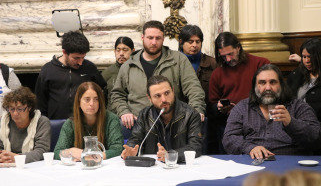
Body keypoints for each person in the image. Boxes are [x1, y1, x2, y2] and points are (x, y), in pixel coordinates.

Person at [111, 20, 206, 133]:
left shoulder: (178, 60)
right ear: (142, 37)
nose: (154, 42)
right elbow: (117, 94)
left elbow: (194, 88)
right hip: (138, 124)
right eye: (150, 38)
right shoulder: (128, 65)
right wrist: (124, 111)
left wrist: (195, 111)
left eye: (158, 38)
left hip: (173, 124)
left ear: (163, 39)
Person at [222, 64, 321, 159]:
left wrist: (291, 123)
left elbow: (316, 138)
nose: (268, 88)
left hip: (290, 165)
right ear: (255, 86)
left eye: (273, 82)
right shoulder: (242, 108)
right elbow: (229, 138)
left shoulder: (298, 106)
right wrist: (250, 147)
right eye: (262, 83)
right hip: (253, 163)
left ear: (281, 85)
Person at [208, 32, 270, 154]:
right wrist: (220, 108)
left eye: (230, 54)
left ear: (238, 48)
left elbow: (271, 94)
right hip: (230, 122)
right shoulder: (218, 73)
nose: (228, 59)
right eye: (223, 56)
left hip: (259, 120)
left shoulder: (260, 63)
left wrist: (242, 109)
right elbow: (212, 105)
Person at [121, 75, 202, 162]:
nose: (163, 99)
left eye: (167, 93)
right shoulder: (145, 115)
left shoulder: (190, 114)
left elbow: (195, 146)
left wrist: (170, 156)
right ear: (149, 98)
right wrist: (131, 150)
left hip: (181, 167)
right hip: (153, 167)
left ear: (173, 91)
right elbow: (135, 139)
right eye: (157, 96)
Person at [35, 31, 106, 119]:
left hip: (83, 124)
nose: (80, 62)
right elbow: (40, 103)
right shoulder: (48, 70)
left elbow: (102, 93)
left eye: (83, 57)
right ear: (64, 52)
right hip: (56, 125)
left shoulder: (90, 68)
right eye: (76, 58)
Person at [54, 82, 123, 161]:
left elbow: (118, 149)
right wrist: (70, 151)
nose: (91, 104)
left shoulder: (111, 119)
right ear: (79, 102)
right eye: (87, 99)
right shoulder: (70, 124)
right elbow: (57, 152)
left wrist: (93, 157)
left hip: (103, 167)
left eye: (96, 99)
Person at [178, 25, 218, 154]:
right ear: (181, 42)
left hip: (205, 115)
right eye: (190, 42)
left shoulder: (211, 63)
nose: (194, 45)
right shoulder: (174, 62)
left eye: (198, 41)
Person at [0, 87, 51, 163]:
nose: (15, 113)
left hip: (32, 166)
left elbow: (41, 151)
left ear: (29, 108)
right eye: (12, 109)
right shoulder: (3, 121)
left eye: (20, 109)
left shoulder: (42, 122)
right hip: (6, 165)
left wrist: (17, 158)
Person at [287, 38, 321, 122]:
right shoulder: (296, 74)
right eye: (304, 57)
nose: (307, 61)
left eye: (310, 57)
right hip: (295, 122)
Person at [102, 37, 135, 112]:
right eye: (118, 50)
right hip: (113, 117)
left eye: (125, 50)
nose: (121, 54)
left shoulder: (137, 70)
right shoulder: (107, 73)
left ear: (133, 51)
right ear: (114, 51)